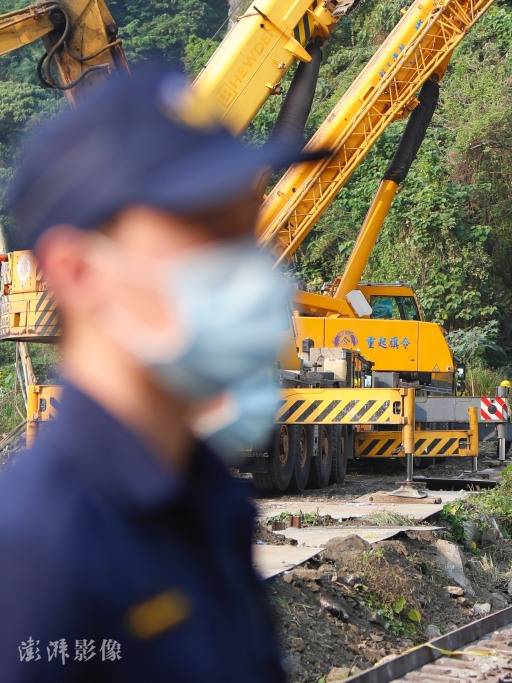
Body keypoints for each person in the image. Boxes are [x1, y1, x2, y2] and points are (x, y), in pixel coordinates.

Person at [0, 68, 323, 682]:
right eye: (202, 228)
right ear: (76, 271)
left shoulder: (210, 502)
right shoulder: (35, 554)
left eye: (243, 229)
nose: (248, 265)